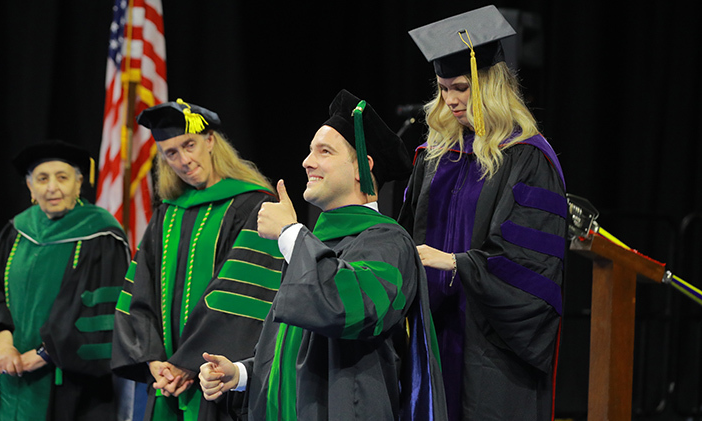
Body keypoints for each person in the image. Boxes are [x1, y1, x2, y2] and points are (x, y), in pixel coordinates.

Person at [199, 89, 448, 420]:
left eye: (324, 151)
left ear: (362, 166)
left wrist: (290, 233)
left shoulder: (388, 243)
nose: (307, 161)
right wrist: (241, 375)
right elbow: (294, 353)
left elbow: (342, 310)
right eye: (309, 151)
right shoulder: (314, 247)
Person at [402, 5, 568, 420]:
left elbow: (531, 267)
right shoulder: (435, 155)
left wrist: (456, 263)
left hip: (492, 346)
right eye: (442, 89)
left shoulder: (526, 158)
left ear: (488, 84)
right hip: (433, 336)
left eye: (460, 87)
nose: (450, 100)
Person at [111, 99, 284, 421]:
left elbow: (243, 298)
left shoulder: (252, 205)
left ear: (210, 140)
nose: (184, 160)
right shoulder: (167, 214)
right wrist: (154, 360)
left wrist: (188, 363)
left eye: (189, 145)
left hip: (222, 383)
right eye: (171, 153)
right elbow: (140, 292)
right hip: (168, 383)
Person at [0, 140, 131, 421]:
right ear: (30, 187)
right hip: (8, 374)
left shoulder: (100, 235)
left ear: (79, 184)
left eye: (62, 177)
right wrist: (1, 345)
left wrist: (41, 355)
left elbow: (100, 314)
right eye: (42, 178)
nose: (52, 187)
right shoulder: (17, 231)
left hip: (71, 385)